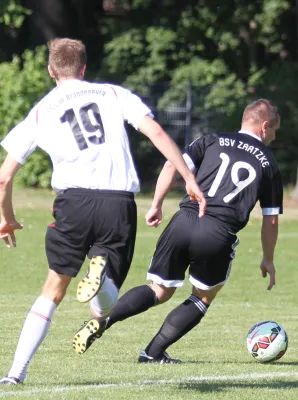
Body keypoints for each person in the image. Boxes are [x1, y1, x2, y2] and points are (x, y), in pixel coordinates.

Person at [0, 38, 206, 385]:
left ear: (51, 71)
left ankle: (15, 374)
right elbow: (154, 130)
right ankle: (103, 280)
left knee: (53, 287)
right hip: (117, 202)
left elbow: (3, 179)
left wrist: (7, 218)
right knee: (105, 305)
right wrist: (188, 179)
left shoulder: (41, 110)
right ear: (84, 68)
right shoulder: (112, 94)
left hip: (72, 202)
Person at [75, 99, 283, 364]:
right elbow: (271, 219)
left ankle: (103, 320)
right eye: (274, 132)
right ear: (265, 126)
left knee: (159, 290)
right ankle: (152, 353)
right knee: (203, 296)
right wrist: (267, 258)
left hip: (183, 220)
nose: (273, 138)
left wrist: (156, 204)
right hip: (218, 232)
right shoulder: (268, 163)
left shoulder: (212, 139)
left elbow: (171, 165)